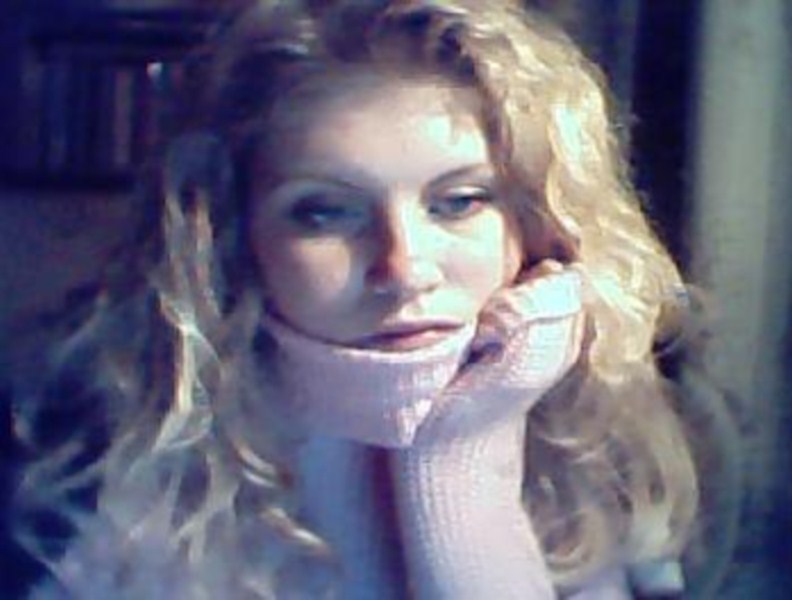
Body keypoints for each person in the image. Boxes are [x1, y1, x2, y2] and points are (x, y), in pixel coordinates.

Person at [11, 1, 705, 598]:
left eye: (458, 202)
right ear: (232, 234)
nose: (402, 269)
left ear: (534, 221)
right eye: (325, 213)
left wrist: (459, 457)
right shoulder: (97, 474)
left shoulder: (604, 449)